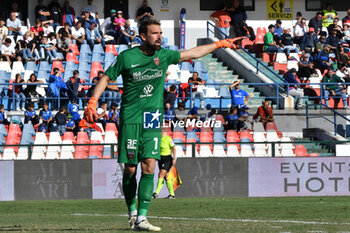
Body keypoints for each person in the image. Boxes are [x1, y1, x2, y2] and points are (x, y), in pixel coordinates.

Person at [83, 19, 241, 231]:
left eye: (160, 33)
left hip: (152, 118)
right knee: (130, 169)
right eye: (154, 33)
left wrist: (220, 44)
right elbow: (105, 78)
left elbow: (193, 53)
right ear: (142, 36)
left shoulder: (164, 55)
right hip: (130, 118)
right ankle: (131, 211)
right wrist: (93, 102)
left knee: (149, 165)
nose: (159, 37)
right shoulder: (127, 57)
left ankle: (142, 218)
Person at [152, 129, 176, 199]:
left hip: (167, 159)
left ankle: (156, 193)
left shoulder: (168, 139)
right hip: (160, 159)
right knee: (166, 176)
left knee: (161, 174)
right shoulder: (157, 140)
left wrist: (174, 158)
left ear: (162, 132)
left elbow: (174, 148)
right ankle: (172, 194)